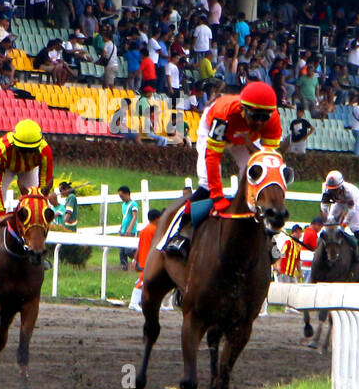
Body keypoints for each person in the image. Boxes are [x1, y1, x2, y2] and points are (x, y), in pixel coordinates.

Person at [162, 81, 282, 259]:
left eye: (264, 118)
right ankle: (182, 233)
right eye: (254, 116)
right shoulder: (224, 114)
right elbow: (212, 157)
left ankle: (269, 237)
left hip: (244, 139)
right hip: (213, 129)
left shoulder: (273, 120)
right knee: (206, 185)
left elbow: (269, 162)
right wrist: (217, 197)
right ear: (243, 109)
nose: (258, 122)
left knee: (258, 179)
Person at [0, 120, 55, 267]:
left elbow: (44, 186)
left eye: (31, 151)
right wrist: (1, 215)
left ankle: (38, 252)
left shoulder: (46, 151)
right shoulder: (1, 150)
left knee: (36, 209)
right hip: (6, 167)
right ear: (14, 144)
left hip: (30, 169)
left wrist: (39, 204)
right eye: (23, 150)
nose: (27, 154)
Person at [320, 170, 359, 261]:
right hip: (339, 202)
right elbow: (324, 206)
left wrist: (343, 224)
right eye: (331, 190)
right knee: (331, 220)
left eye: (335, 189)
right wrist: (327, 221)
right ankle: (322, 246)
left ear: (340, 186)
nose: (333, 192)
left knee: (354, 226)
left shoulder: (350, 192)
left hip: (353, 204)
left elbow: (351, 211)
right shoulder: (325, 188)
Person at [117, 186, 141, 270]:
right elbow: (125, 217)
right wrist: (121, 227)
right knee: (122, 250)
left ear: (127, 194)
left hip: (130, 230)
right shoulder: (123, 205)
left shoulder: (133, 204)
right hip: (124, 229)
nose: (121, 198)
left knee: (129, 250)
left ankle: (139, 262)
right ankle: (124, 266)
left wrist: (130, 228)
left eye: (122, 196)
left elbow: (134, 216)